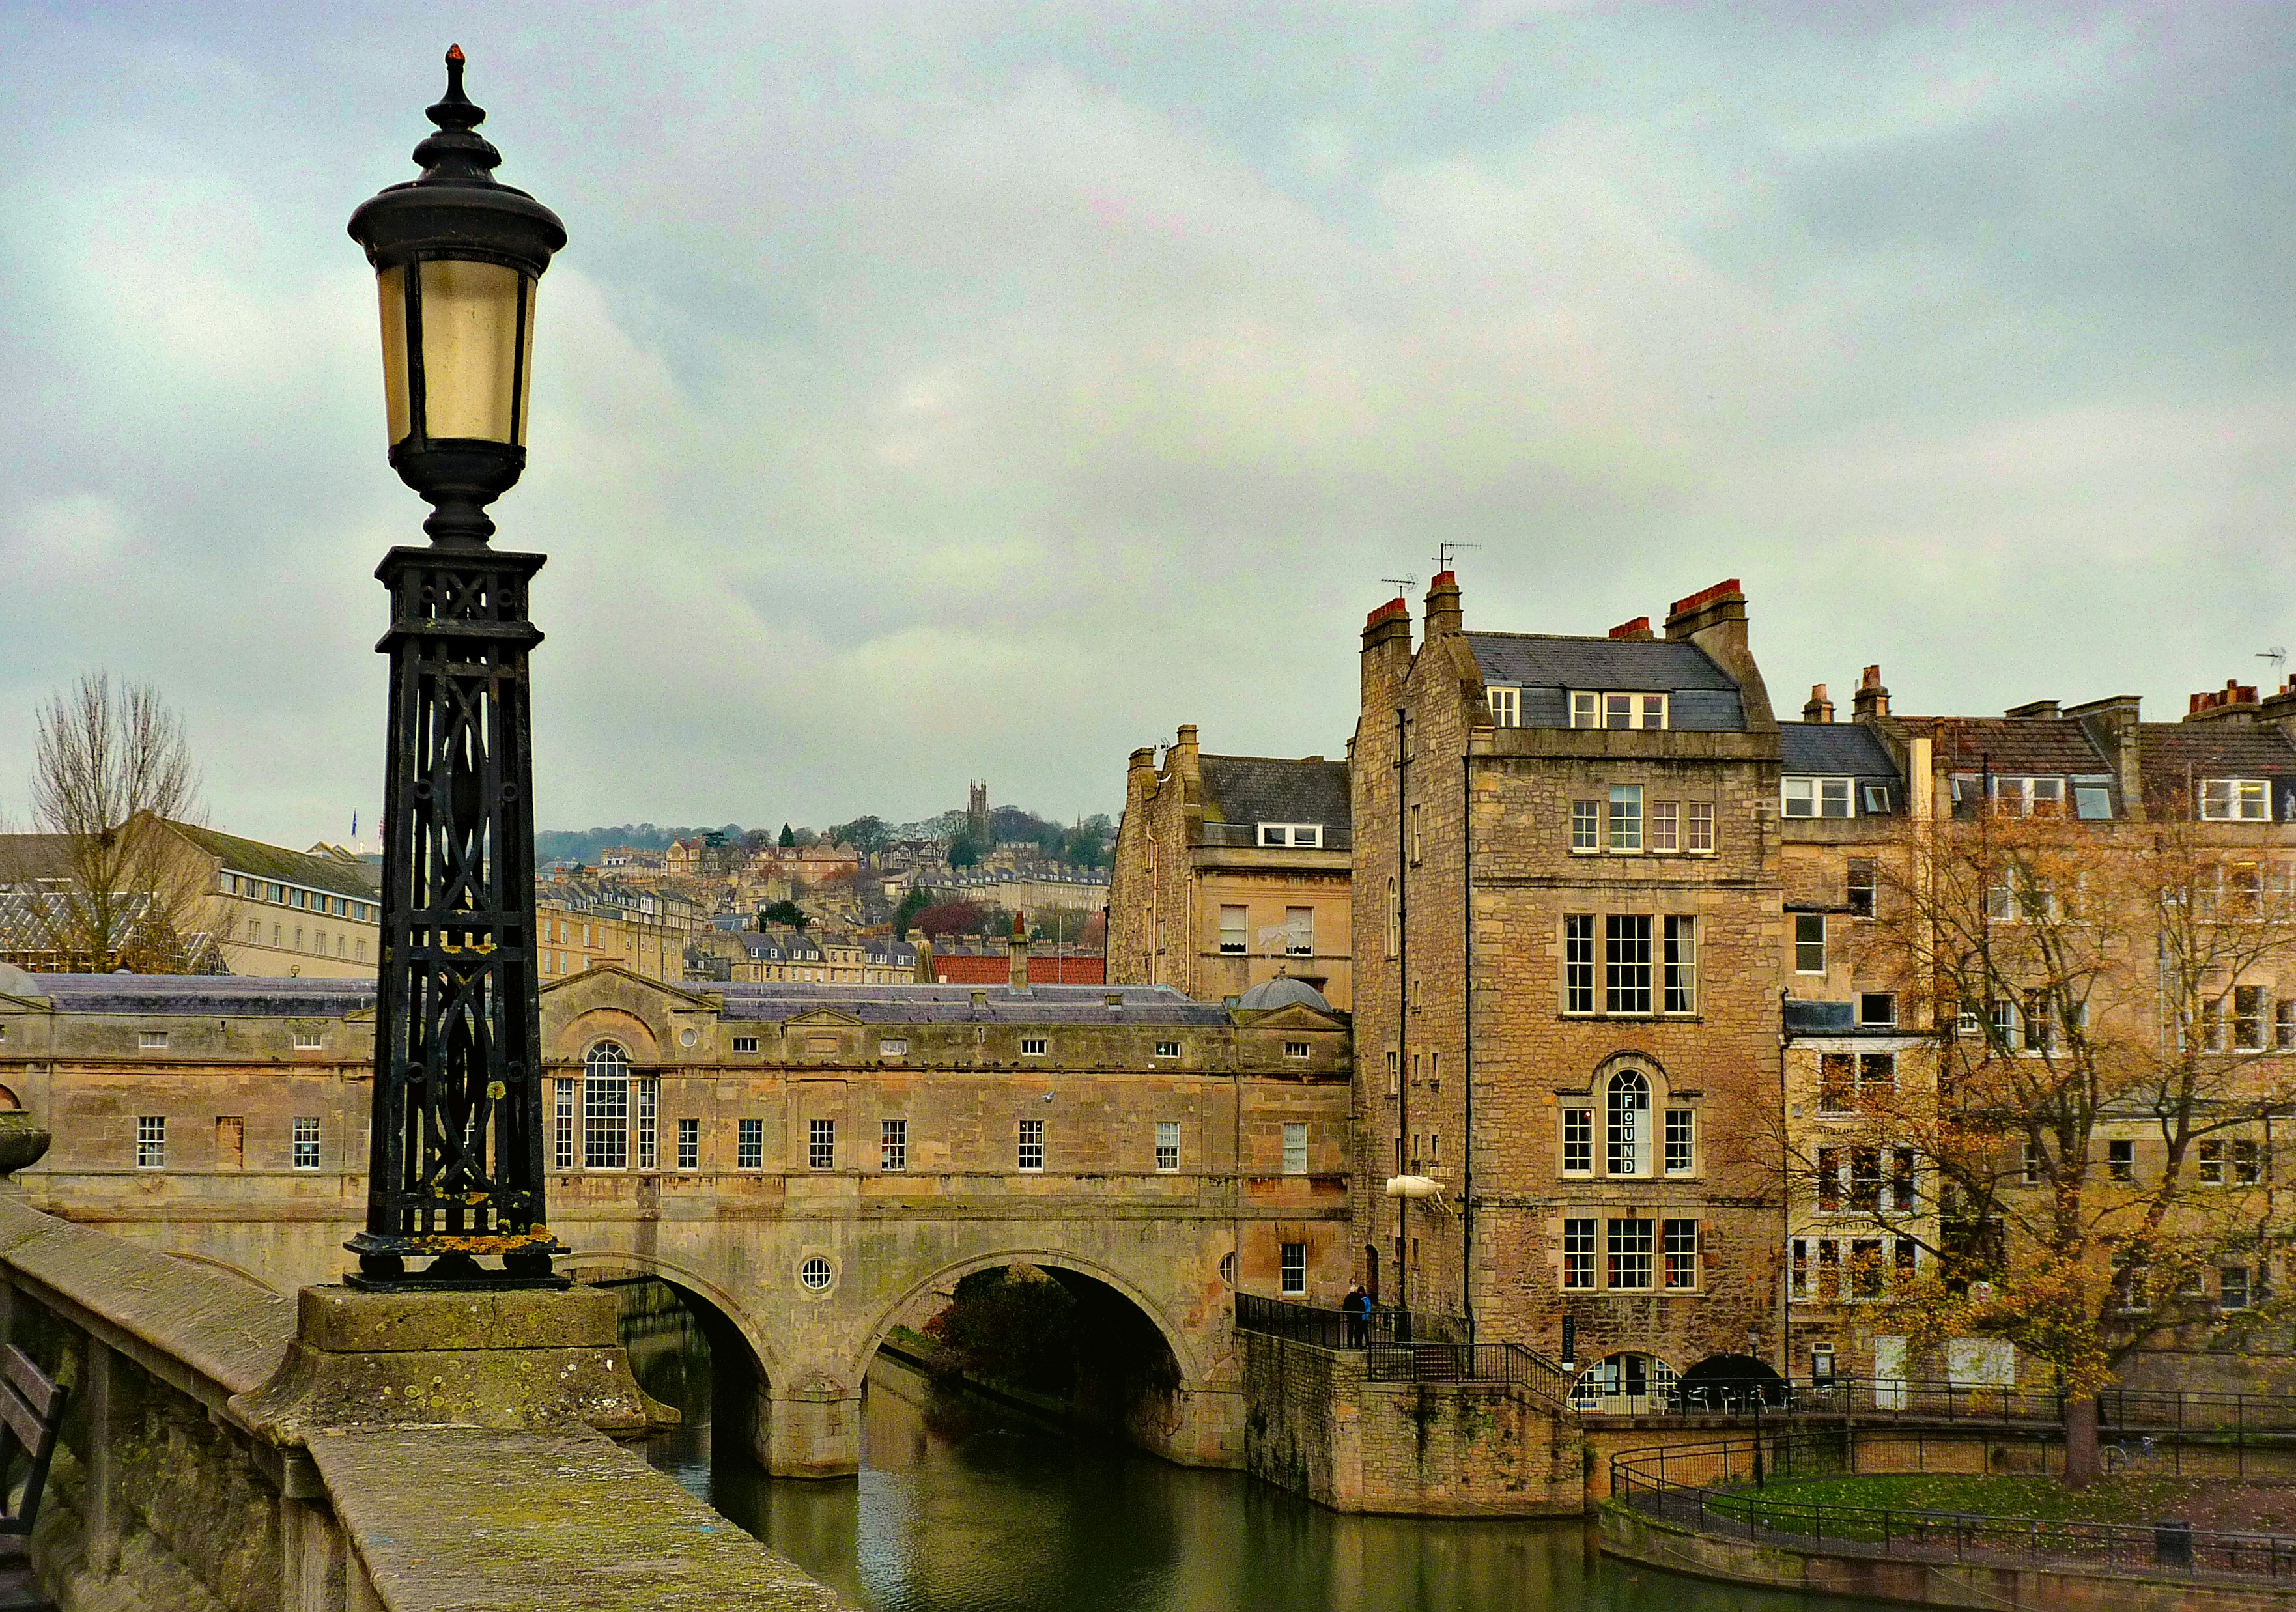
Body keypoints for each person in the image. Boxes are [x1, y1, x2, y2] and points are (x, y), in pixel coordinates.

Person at [1341, 1282, 1370, 1348]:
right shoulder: (1359, 1298)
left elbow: (1345, 1307)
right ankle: (1358, 1344)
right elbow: (1362, 1307)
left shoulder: (1348, 1298)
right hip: (1358, 1316)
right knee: (1358, 1331)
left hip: (1351, 1316)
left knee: (1350, 1331)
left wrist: (1348, 1314)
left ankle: (1350, 1345)